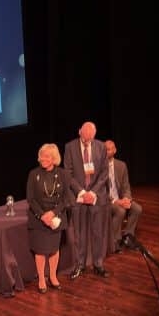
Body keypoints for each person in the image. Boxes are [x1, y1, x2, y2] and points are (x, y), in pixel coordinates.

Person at [63, 121, 110, 279]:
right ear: (79, 132)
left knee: (97, 233)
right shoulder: (70, 147)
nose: (86, 141)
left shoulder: (101, 147)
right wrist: (82, 192)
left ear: (93, 137)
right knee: (79, 234)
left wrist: (93, 193)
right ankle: (80, 265)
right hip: (79, 197)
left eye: (89, 139)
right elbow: (68, 173)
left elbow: (104, 173)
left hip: (96, 197)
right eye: (84, 138)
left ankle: (98, 265)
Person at [26, 143, 73, 293]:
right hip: (38, 219)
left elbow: (67, 199)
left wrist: (53, 213)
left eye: (46, 156)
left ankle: (52, 276)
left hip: (55, 218)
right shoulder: (33, 174)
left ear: (53, 158)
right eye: (41, 156)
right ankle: (41, 279)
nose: (42, 159)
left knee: (54, 249)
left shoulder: (63, 174)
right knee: (40, 251)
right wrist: (42, 215)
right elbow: (30, 199)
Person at [105, 139, 142, 252]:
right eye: (105, 149)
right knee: (120, 211)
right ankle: (114, 241)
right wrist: (115, 201)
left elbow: (126, 186)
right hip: (107, 201)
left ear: (115, 150)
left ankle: (128, 237)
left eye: (109, 149)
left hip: (120, 198)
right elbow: (100, 191)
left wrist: (126, 199)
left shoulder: (121, 165)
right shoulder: (98, 167)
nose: (107, 151)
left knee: (137, 208)